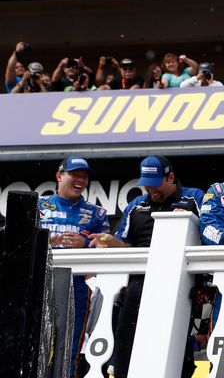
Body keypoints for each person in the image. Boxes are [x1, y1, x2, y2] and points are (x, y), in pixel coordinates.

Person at [92, 155, 203, 378]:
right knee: (127, 341)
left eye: (155, 183)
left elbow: (209, 233)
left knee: (175, 342)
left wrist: (191, 219)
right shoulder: (136, 205)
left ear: (170, 177)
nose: (150, 189)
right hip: (139, 282)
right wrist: (109, 241)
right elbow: (123, 243)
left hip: (180, 283)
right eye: (146, 183)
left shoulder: (195, 197)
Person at [38, 156, 111, 378]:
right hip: (40, 280)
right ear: (59, 177)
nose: (81, 180)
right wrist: (46, 241)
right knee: (35, 339)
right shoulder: (38, 205)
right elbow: (17, 242)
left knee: (68, 345)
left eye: (84, 176)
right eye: (75, 174)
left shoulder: (98, 213)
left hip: (76, 285)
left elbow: (107, 248)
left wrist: (86, 244)